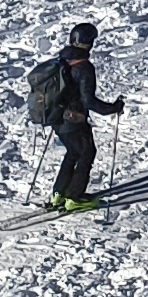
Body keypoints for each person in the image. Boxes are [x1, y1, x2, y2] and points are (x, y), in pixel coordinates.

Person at [49, 20, 128, 211]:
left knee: (73, 152)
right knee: (87, 152)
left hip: (56, 116)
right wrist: (114, 108)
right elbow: (89, 101)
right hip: (74, 120)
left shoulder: (62, 60)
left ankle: (58, 194)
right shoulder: (84, 67)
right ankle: (74, 197)